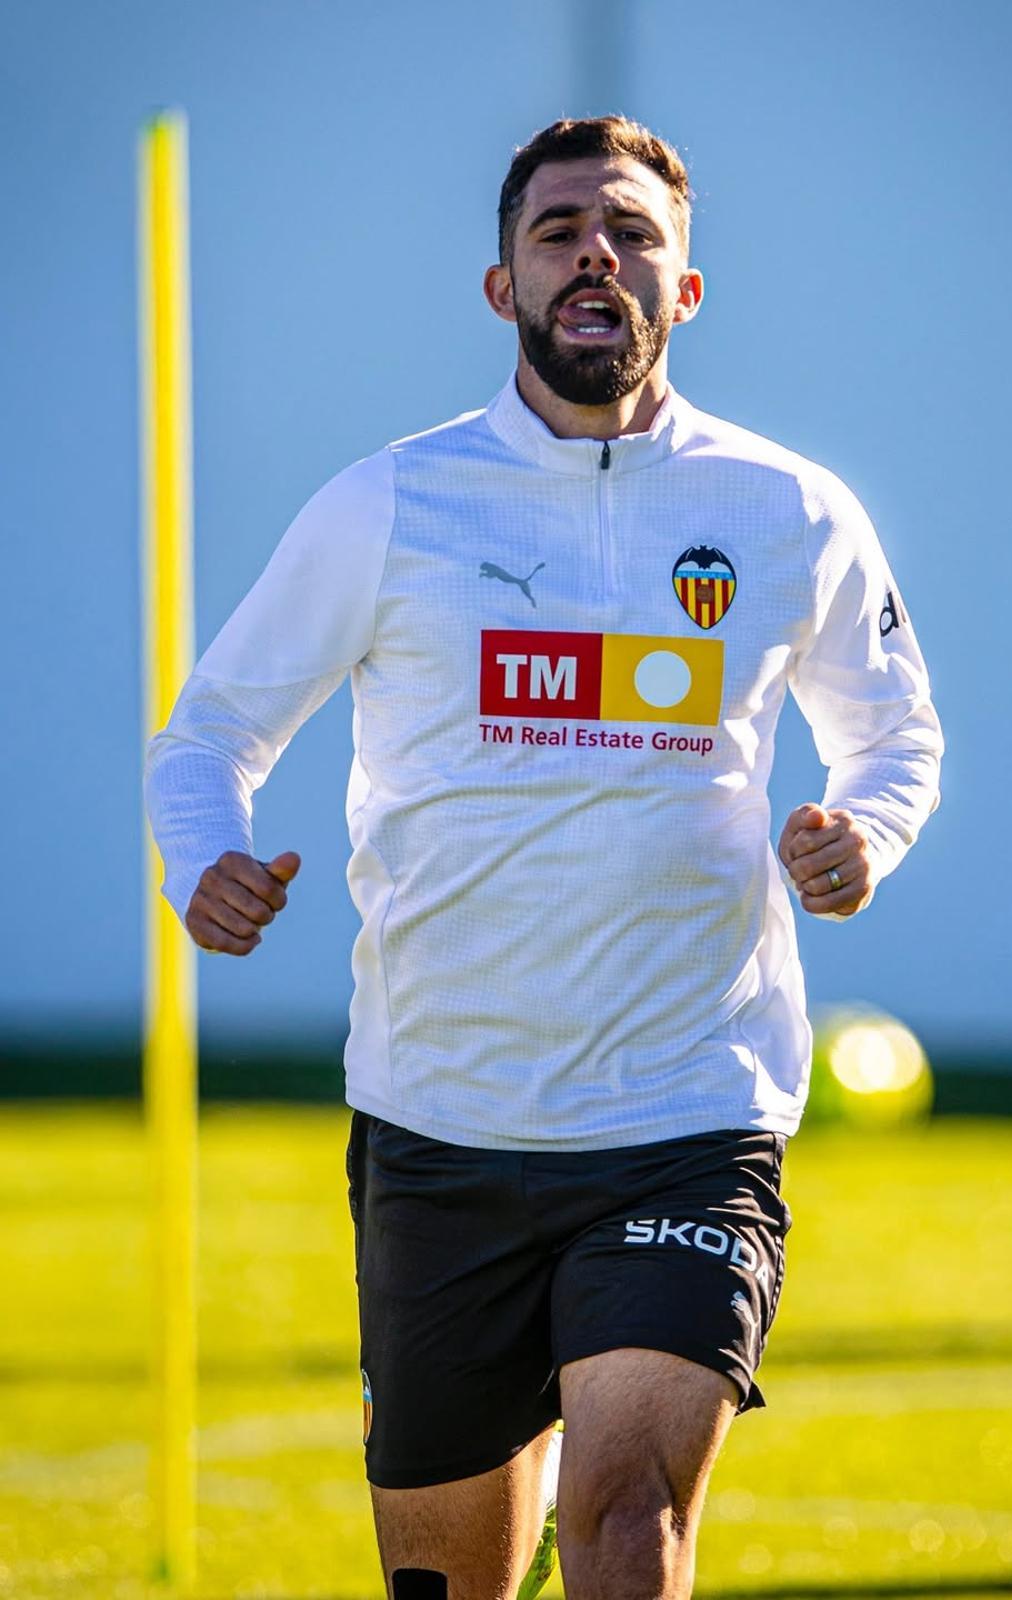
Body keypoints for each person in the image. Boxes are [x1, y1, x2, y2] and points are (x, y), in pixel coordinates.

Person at [146, 115, 943, 1600]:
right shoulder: (391, 503)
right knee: (449, 1583)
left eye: (633, 231)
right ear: (503, 285)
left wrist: (864, 837)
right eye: (559, 228)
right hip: (440, 1122)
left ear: (685, 288)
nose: (597, 252)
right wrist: (211, 863)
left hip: (686, 1111)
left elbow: (897, 737)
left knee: (630, 1520)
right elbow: (208, 738)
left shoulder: (788, 508)